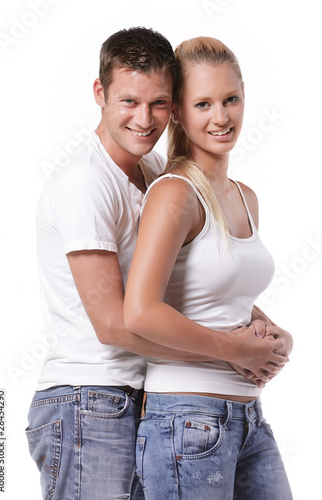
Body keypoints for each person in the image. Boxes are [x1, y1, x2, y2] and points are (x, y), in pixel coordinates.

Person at [124, 36, 293, 499]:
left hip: (248, 417)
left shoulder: (245, 197)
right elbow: (139, 311)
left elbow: (222, 295)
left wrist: (278, 334)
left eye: (230, 99)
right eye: (203, 104)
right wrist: (234, 351)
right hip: (185, 418)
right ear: (178, 111)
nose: (221, 117)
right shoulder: (174, 193)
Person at [25, 27, 182, 500]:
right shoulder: (86, 183)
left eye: (158, 104)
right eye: (129, 101)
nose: (144, 119)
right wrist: (226, 354)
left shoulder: (153, 172)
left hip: (136, 395)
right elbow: (112, 325)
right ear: (100, 93)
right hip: (87, 398)